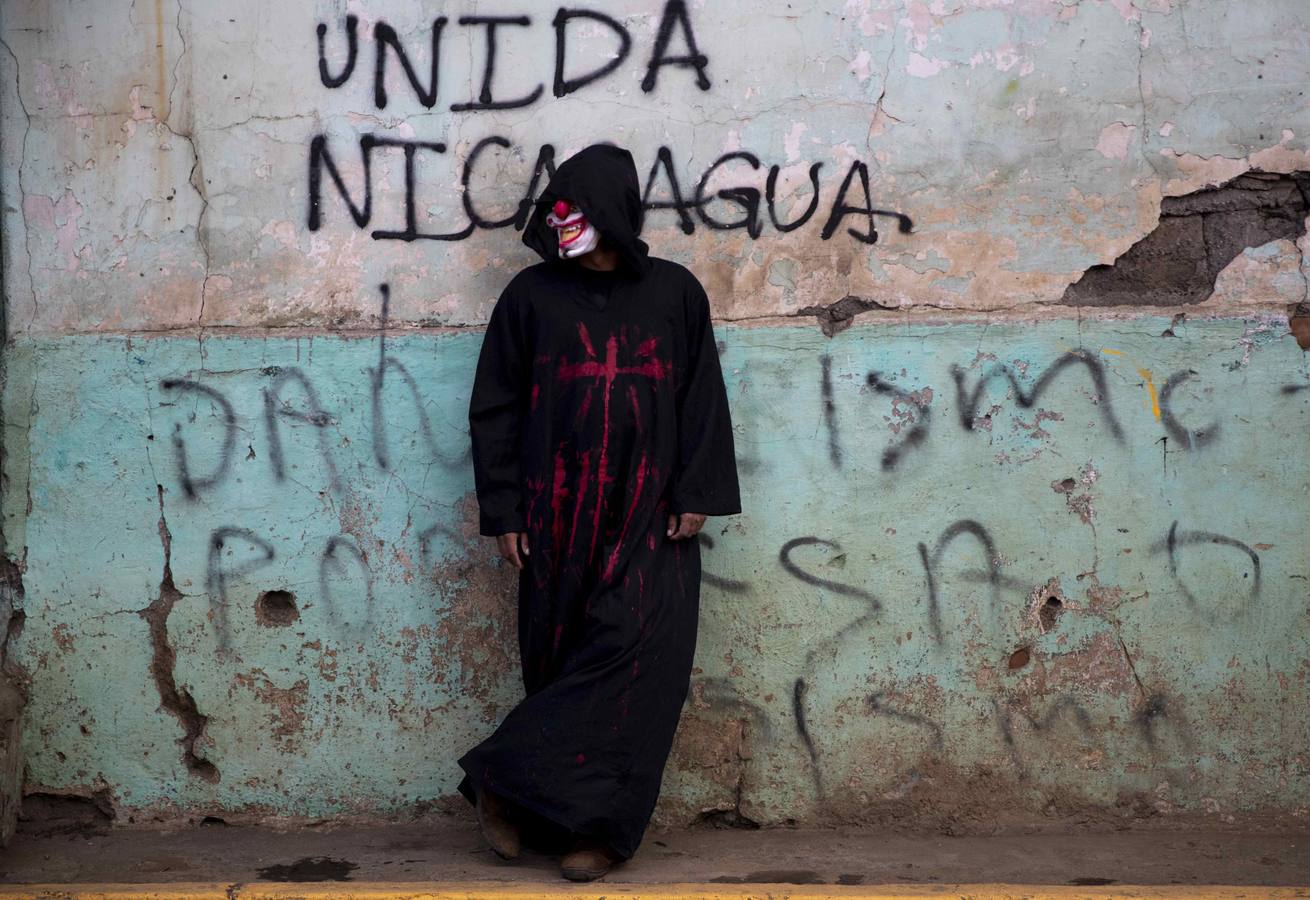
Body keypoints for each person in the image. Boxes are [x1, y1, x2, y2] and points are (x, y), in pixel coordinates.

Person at [459, 143, 741, 882]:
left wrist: (695, 493)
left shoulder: (676, 294)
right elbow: (494, 409)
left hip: (650, 514)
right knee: (559, 664)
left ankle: (584, 820)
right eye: (559, 214)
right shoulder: (529, 299)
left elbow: (701, 397)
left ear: (616, 213)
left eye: (579, 213)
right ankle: (555, 821)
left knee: (640, 661)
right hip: (557, 515)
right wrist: (506, 510)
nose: (565, 227)